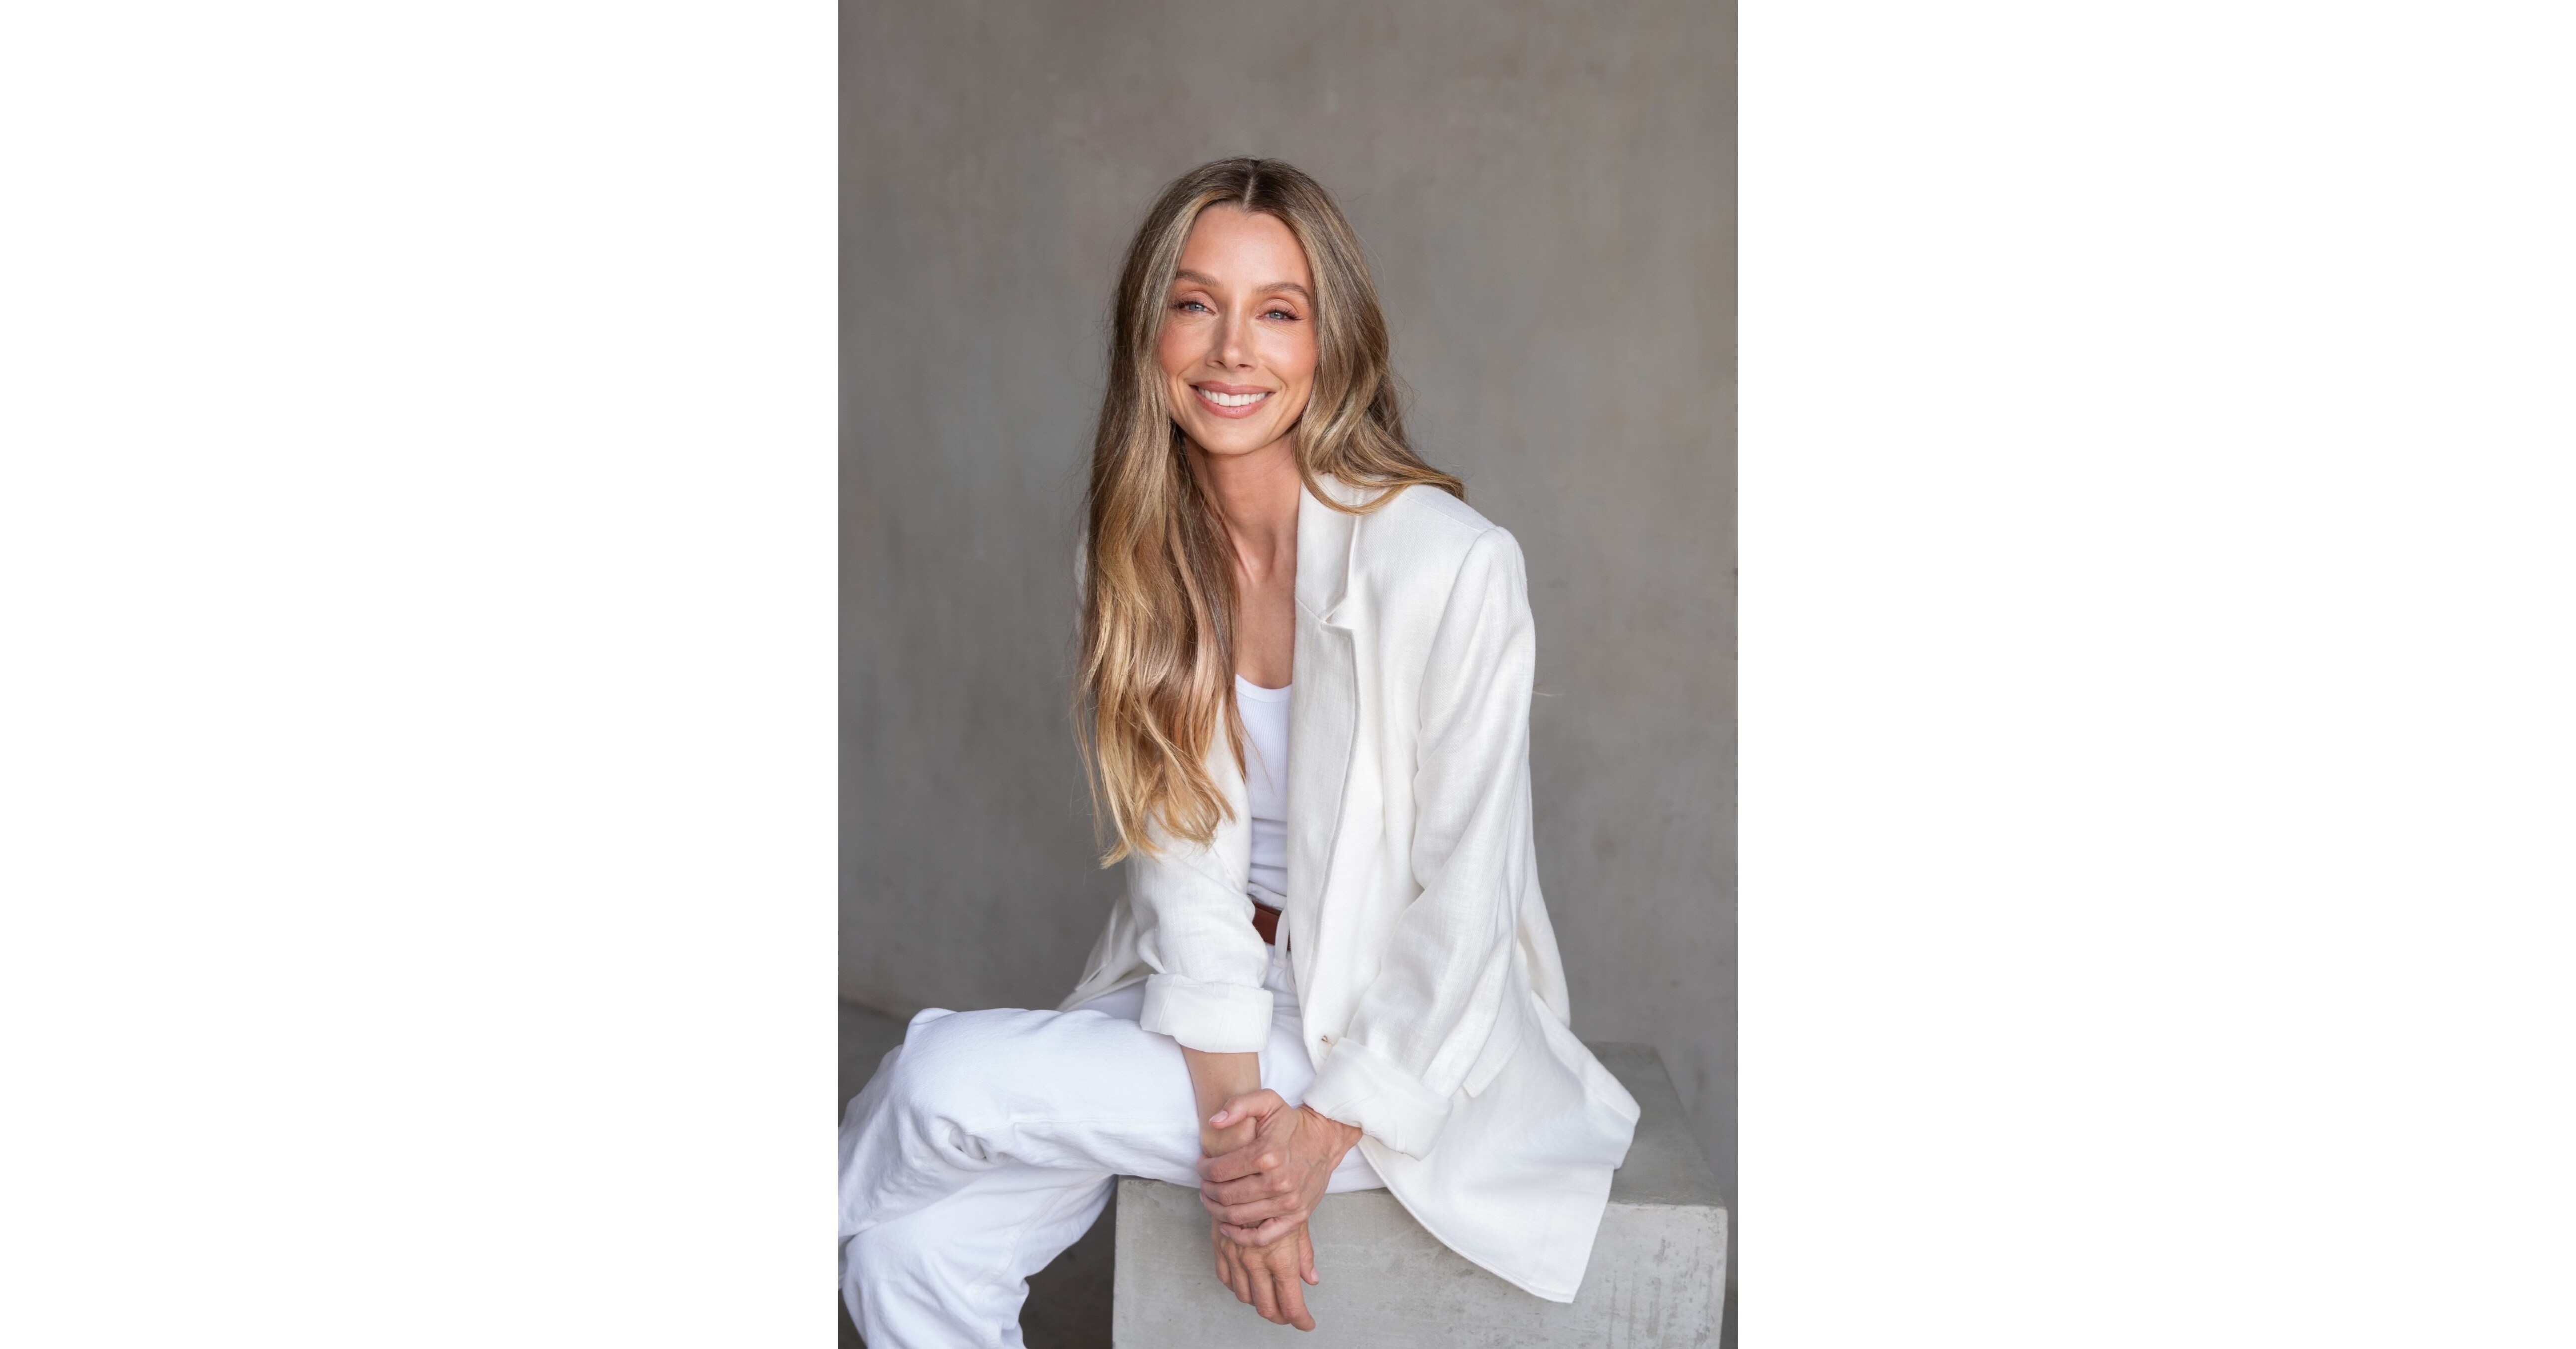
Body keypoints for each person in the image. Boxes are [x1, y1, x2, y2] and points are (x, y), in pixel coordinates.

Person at [838, 157, 1640, 1346]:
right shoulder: (1134, 557)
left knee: (939, 1074)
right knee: (912, 1258)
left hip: (1382, 1050)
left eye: (1276, 312)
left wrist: (1305, 1148)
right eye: (1194, 303)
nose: (1230, 351)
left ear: (1330, 344)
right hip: (1208, 1003)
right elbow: (1180, 863)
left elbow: (1465, 907)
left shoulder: (1449, 564)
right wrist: (1236, 1140)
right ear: (1149, 330)